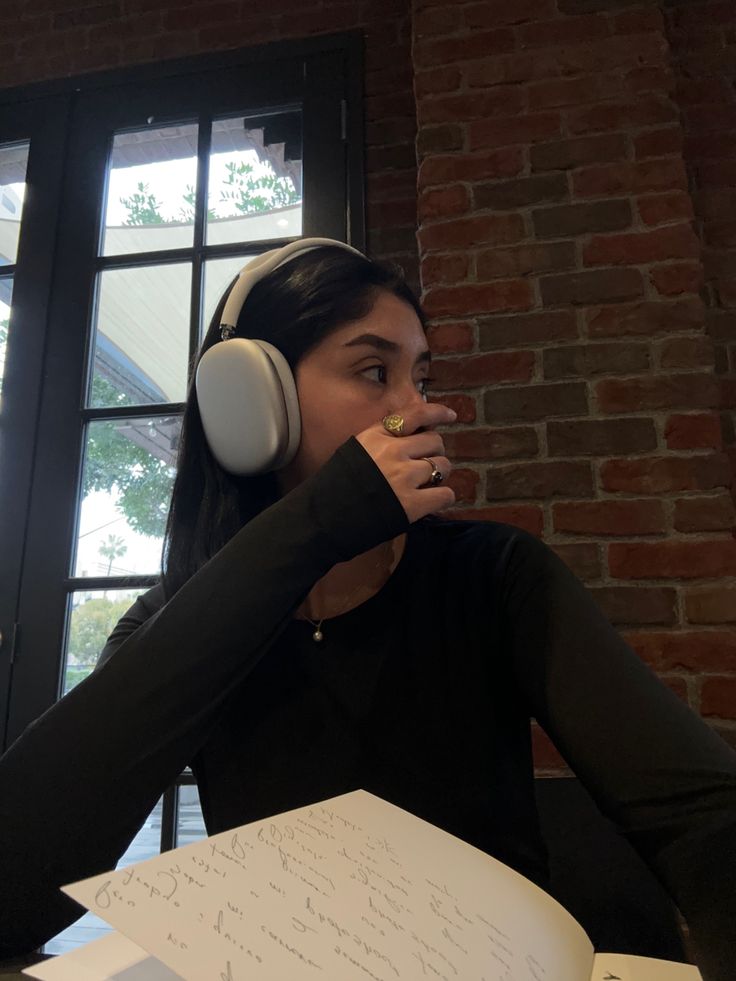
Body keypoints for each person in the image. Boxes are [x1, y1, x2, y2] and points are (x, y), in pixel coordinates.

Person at [0, 238, 734, 978]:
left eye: (422, 375)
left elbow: (700, 811)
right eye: (374, 370)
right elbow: (13, 889)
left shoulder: (498, 576)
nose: (418, 409)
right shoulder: (184, 616)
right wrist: (309, 527)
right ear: (254, 403)